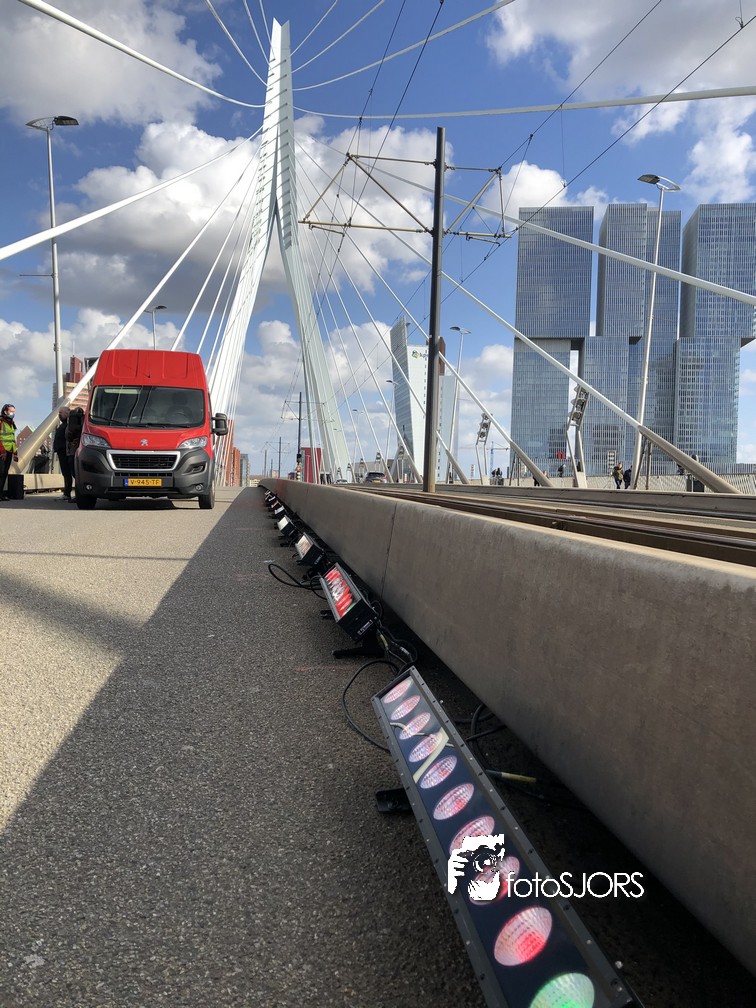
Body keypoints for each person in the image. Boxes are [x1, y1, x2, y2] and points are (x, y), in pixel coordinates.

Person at [53, 406, 74, 500]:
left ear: (67, 414)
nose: (59, 415)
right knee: (66, 473)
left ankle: (67, 493)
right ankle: (67, 493)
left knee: (67, 473)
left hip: (66, 452)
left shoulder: (69, 425)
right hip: (62, 452)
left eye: (61, 413)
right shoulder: (64, 425)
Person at [0, 403, 19, 500]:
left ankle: (1, 494)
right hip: (2, 452)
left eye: (13, 412)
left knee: (4, 473)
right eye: (11, 411)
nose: (13, 413)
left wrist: (15, 453)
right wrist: (2, 451)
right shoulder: (1, 422)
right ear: (5, 411)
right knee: (1, 472)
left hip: (9, 451)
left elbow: (12, 439)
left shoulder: (11, 423)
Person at [66, 406, 85, 497]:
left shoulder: (75, 424)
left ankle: (78, 494)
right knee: (74, 468)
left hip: (74, 448)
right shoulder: (80, 422)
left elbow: (71, 431)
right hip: (74, 447)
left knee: (74, 468)